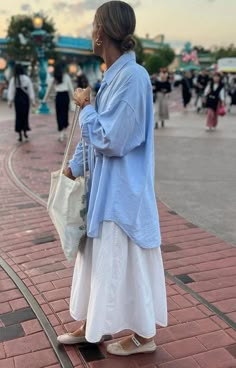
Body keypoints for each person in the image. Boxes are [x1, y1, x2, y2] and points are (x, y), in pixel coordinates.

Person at [58, 0, 167, 356]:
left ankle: (143, 335)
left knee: (122, 260)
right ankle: (94, 323)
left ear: (101, 32)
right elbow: (97, 135)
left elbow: (112, 138)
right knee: (98, 260)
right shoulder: (113, 75)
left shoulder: (133, 78)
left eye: (93, 25)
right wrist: (74, 164)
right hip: (106, 189)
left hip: (123, 193)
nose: (91, 32)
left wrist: (86, 109)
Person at [43, 63, 74, 141]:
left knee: (59, 115)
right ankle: (64, 131)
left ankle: (61, 133)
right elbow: (71, 88)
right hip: (65, 96)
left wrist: (44, 99)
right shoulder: (66, 76)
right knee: (65, 114)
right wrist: (74, 98)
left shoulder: (54, 78)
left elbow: (48, 90)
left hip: (58, 97)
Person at [8, 64, 35, 142]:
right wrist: (33, 101)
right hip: (25, 100)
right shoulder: (27, 78)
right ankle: (25, 132)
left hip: (18, 100)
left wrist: (10, 101)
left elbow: (11, 91)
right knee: (25, 115)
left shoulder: (14, 79)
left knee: (18, 116)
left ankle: (19, 135)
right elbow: (30, 90)